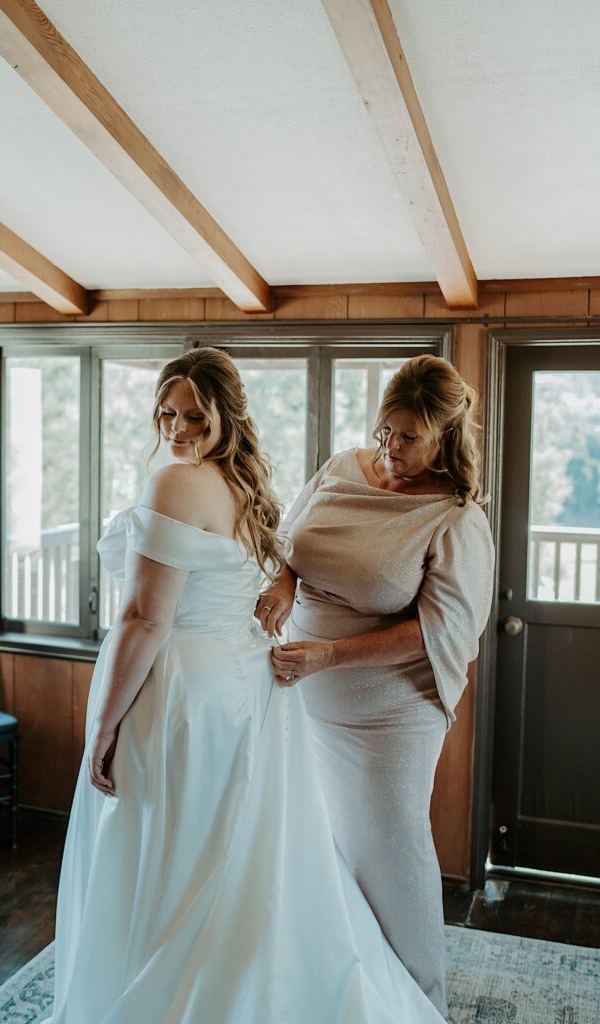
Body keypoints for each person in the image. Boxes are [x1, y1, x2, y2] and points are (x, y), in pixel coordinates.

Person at [41, 347, 444, 1024]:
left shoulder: (176, 482)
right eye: (165, 413)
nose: (176, 429)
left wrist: (102, 726)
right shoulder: (243, 485)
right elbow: (267, 570)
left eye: (194, 417)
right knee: (230, 856)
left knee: (169, 851)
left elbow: (143, 618)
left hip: (182, 693)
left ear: (224, 416)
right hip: (241, 689)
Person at [256, 354, 495, 1019]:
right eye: (384, 431)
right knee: (325, 849)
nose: (390, 449)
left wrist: (330, 653)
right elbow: (287, 543)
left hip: (390, 715)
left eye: (409, 438)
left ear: (443, 438)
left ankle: (421, 1001)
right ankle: (349, 988)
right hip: (304, 697)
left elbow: (437, 630)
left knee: (392, 856)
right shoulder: (339, 469)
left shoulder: (452, 516)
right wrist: (280, 585)